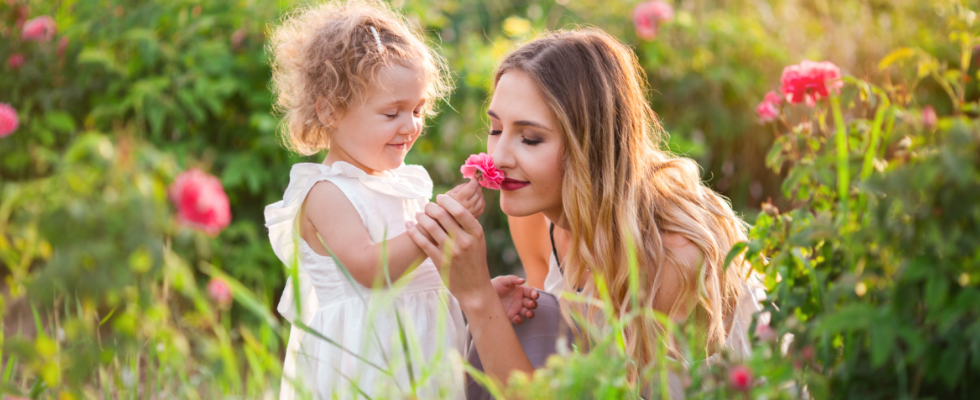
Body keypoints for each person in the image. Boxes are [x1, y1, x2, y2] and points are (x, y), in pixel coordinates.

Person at [406, 28, 765, 397]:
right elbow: (550, 359)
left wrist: (477, 296)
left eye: (530, 139)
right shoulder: (532, 216)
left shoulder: (672, 256)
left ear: (590, 146)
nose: (497, 159)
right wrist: (494, 308)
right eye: (496, 129)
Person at [264, 2, 538, 398]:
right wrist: (438, 224)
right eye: (392, 113)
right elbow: (371, 269)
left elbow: (419, 286)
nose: (410, 126)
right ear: (329, 111)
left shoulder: (405, 186)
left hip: (422, 366)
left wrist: (475, 297)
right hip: (366, 366)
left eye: (417, 109)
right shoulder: (326, 192)